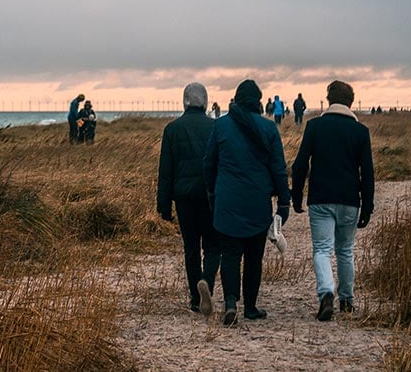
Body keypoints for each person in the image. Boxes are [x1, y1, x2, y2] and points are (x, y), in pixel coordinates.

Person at [204, 79, 291, 326]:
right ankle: (250, 308)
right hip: (258, 202)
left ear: (236, 99)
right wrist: (284, 202)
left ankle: (231, 303)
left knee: (230, 254)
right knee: (254, 257)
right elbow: (278, 169)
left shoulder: (221, 126)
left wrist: (212, 193)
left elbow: (208, 163)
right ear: (259, 101)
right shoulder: (268, 128)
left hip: (227, 200)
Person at [291, 80, 374, 321]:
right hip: (349, 199)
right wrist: (367, 205)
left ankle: (326, 293)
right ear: (350, 102)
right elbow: (367, 172)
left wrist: (297, 196)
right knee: (345, 250)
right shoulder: (360, 131)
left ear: (329, 100)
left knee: (322, 249)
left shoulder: (315, 126)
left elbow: (299, 165)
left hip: (320, 198)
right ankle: (347, 300)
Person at [157, 83, 219, 315]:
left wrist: (164, 206)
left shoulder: (172, 129)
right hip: (210, 196)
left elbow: (166, 171)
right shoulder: (215, 127)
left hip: (183, 197)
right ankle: (207, 283)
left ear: (184, 101)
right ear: (205, 101)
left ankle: (195, 298)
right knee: (213, 246)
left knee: (191, 247)